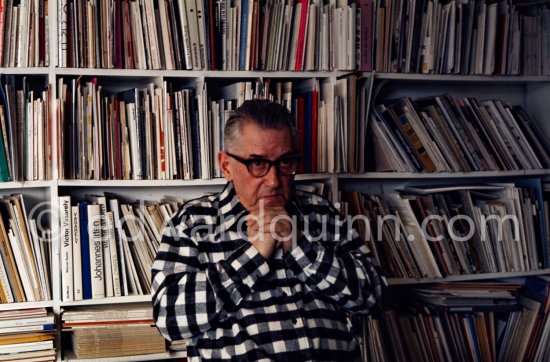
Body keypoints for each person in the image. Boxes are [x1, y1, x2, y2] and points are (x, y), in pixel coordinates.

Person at [152, 99, 383, 361]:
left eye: (285, 163)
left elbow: (373, 296)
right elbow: (169, 320)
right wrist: (254, 255)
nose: (274, 181)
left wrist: (300, 247)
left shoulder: (321, 211)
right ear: (226, 165)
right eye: (258, 164)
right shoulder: (192, 221)